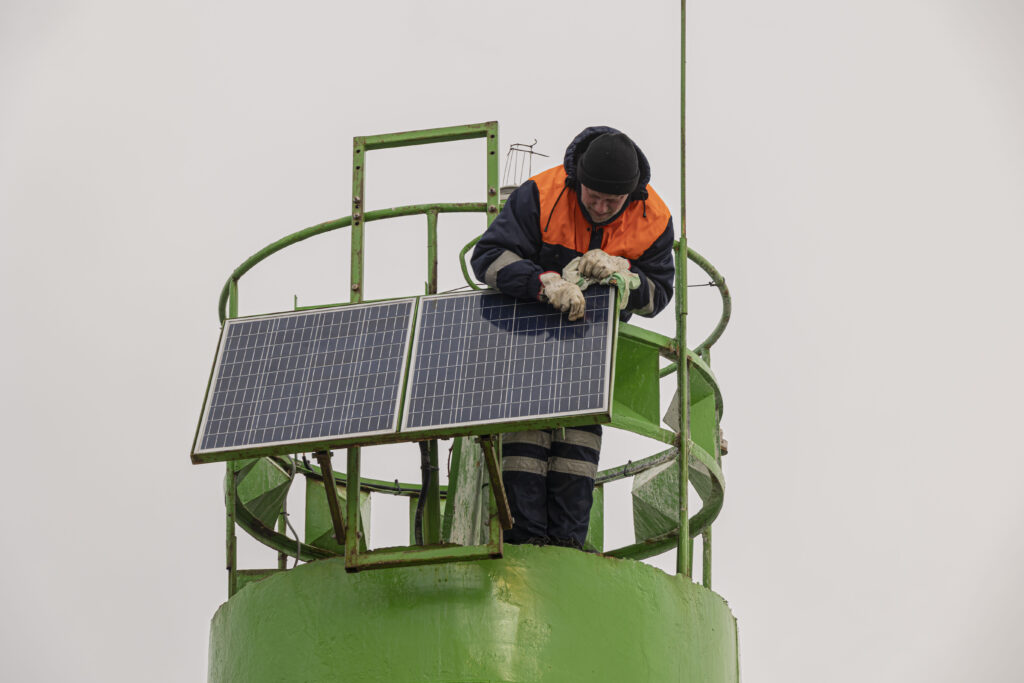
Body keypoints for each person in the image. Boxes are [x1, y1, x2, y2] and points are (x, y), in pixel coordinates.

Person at [471, 126, 675, 549]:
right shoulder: (540, 195)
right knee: (524, 439)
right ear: (577, 181)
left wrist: (626, 276)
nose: (600, 208)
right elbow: (488, 257)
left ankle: (566, 548)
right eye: (593, 197)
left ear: (631, 194)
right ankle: (523, 544)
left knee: (578, 446)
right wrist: (543, 282)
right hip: (525, 344)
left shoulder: (654, 219)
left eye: (612, 202)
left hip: (590, 354)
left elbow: (660, 294)